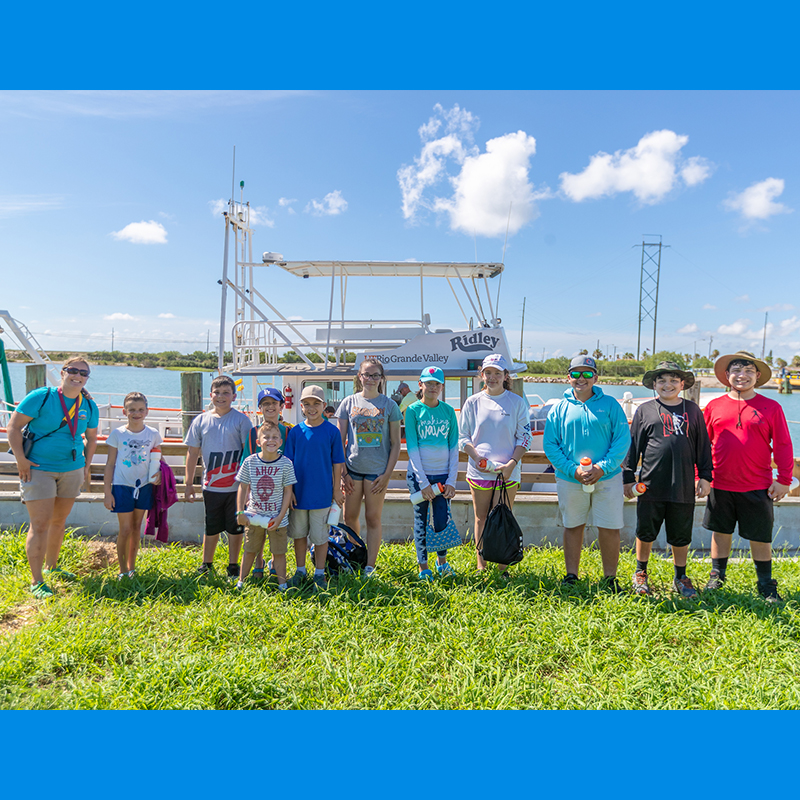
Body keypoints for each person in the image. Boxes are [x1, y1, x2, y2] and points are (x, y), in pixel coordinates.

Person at [702, 351, 793, 602]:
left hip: (758, 484)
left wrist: (784, 479)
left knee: (760, 535)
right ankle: (716, 576)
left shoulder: (772, 407)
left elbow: (784, 444)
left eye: (749, 371)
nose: (742, 375)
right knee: (720, 531)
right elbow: (702, 444)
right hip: (720, 482)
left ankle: (765, 584)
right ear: (727, 376)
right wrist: (702, 476)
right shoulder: (713, 406)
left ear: (758, 376)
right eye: (736, 371)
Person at [7, 357, 99, 598]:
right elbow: (13, 427)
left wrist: (86, 466)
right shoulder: (42, 397)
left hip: (72, 469)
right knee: (39, 524)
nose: (77, 375)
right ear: (62, 372)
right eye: (73, 370)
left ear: (87, 378)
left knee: (59, 522)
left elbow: (92, 438)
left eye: (83, 373)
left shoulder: (89, 405)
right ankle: (37, 581)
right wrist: (20, 459)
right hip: (38, 468)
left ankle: (52, 567)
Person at [621, 362, 712, 598]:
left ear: (682, 385)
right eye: (662, 380)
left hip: (682, 484)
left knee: (680, 533)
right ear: (654, 385)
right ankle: (641, 572)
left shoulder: (692, 410)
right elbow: (634, 447)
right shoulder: (645, 410)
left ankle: (681, 576)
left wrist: (704, 476)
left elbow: (703, 447)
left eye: (673, 380)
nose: (667, 385)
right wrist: (628, 478)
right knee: (646, 531)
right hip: (650, 484)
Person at [542, 355, 630, 591]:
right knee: (573, 526)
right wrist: (573, 470)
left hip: (608, 477)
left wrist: (602, 468)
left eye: (588, 374)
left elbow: (622, 440)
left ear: (596, 377)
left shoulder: (611, 404)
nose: (582, 378)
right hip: (570, 478)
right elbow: (550, 444)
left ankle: (610, 578)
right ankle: (571, 576)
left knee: (610, 528)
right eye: (576, 374)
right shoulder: (559, 408)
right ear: (568, 377)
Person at [458, 354, 531, 576]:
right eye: (488, 373)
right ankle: (481, 565)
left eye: (497, 373)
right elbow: (463, 438)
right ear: (482, 375)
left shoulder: (517, 402)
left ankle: (503, 566)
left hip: (508, 473)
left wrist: (511, 464)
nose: (492, 377)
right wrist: (477, 458)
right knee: (481, 517)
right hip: (479, 472)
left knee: (504, 516)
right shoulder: (472, 402)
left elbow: (524, 438)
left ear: (505, 376)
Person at [335, 359, 402, 577]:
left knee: (373, 518)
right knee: (350, 517)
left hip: (377, 473)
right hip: (353, 471)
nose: (371, 379)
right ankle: (355, 558)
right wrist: (343, 473)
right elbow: (340, 441)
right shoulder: (348, 403)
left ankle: (369, 566)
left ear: (381, 378)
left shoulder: (389, 406)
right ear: (359, 376)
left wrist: (386, 475)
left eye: (375, 375)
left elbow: (395, 444)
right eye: (367, 374)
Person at [184, 375, 254, 579]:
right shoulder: (201, 420)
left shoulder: (241, 420)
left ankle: (233, 565)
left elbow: (248, 453)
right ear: (210, 395)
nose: (221, 397)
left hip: (236, 487)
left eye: (226, 393)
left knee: (235, 527)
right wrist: (189, 483)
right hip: (211, 486)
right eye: (217, 393)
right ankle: (207, 563)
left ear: (233, 396)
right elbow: (192, 453)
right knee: (211, 526)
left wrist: (248, 487)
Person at [284, 385, 345, 590]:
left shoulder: (332, 431)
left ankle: (319, 573)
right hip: (299, 495)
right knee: (299, 535)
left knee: (320, 537)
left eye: (316, 404)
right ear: (301, 406)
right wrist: (289, 491)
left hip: (322, 495)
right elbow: (288, 464)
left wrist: (337, 490)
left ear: (324, 405)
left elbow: (337, 463)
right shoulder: (295, 432)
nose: (311, 408)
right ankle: (300, 570)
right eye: (307, 404)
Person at [405, 366, 459, 579]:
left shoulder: (448, 411)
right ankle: (423, 566)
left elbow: (454, 448)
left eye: (437, 383)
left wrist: (452, 480)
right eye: (428, 383)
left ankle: (442, 563)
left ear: (442, 386)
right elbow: (412, 448)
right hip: (420, 479)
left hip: (443, 477)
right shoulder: (412, 411)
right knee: (421, 520)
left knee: (441, 521)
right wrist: (424, 482)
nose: (433, 387)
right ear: (421, 385)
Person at [103, 392, 163, 580]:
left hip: (144, 486)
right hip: (122, 486)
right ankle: (121, 570)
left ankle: (132, 567)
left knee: (137, 527)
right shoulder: (117, 434)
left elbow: (158, 459)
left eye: (140, 410)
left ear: (147, 411)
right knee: (125, 529)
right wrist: (107, 492)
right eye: (132, 410)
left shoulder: (153, 434)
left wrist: (160, 473)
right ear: (124, 411)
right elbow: (110, 464)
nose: (136, 413)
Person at [235, 420, 296, 591]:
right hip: (254, 516)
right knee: (249, 550)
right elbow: (242, 487)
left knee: (279, 552)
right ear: (258, 442)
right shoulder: (249, 461)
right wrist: (240, 511)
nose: (271, 440)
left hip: (277, 519)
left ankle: (282, 584)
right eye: (266, 437)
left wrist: (281, 516)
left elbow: (288, 492)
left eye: (275, 437)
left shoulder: (286, 464)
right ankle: (241, 582)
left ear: (281, 442)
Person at [246, 387, 294, 578]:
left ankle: (275, 561)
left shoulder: (288, 431)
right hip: (257, 493)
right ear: (260, 407)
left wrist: (292, 492)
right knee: (257, 528)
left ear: (281, 406)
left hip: (280, 493)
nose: (270, 407)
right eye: (265, 404)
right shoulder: (253, 433)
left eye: (274, 403)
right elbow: (247, 462)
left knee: (277, 528)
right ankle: (259, 562)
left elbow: (291, 463)